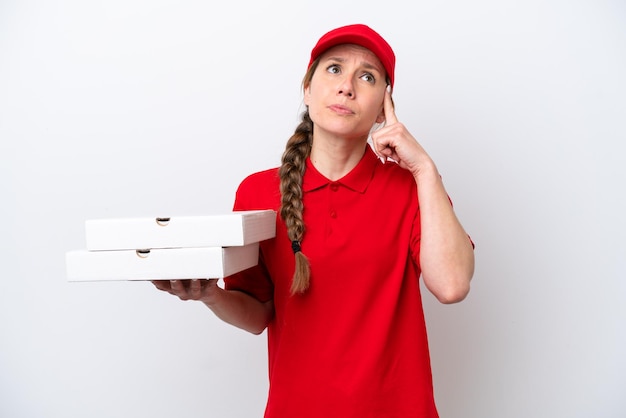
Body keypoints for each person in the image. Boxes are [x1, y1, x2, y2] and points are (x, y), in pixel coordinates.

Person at [153, 23, 474, 418]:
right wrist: (209, 294)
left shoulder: (413, 188)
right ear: (307, 89)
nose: (347, 87)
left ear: (383, 109)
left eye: (367, 77)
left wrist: (424, 168)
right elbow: (258, 315)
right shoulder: (257, 193)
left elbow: (452, 285)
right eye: (334, 69)